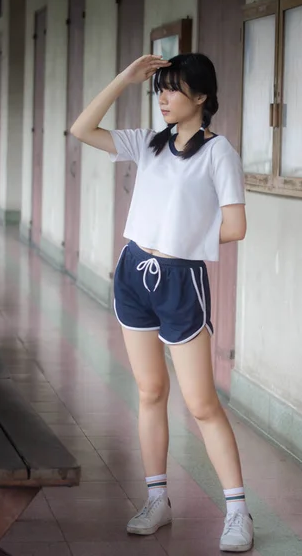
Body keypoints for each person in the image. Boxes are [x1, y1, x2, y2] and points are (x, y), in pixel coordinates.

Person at [71, 53, 254, 552]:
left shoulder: (219, 153)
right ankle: (157, 501)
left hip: (180, 279)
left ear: (201, 97)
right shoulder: (149, 145)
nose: (164, 98)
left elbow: (235, 225)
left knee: (201, 404)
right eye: (160, 89)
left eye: (174, 89)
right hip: (134, 273)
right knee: (150, 392)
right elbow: (82, 128)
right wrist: (126, 78)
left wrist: (180, 235)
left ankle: (238, 511)